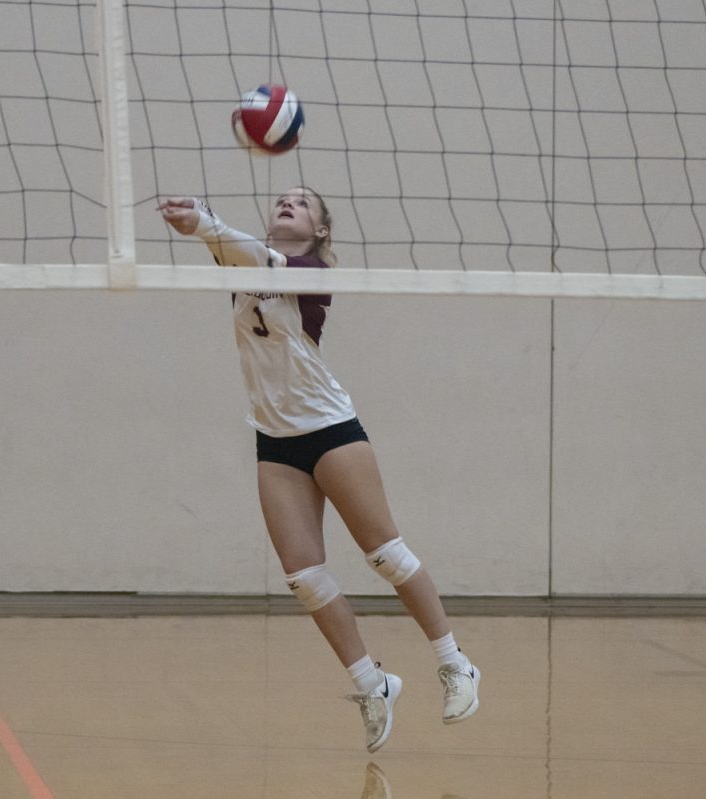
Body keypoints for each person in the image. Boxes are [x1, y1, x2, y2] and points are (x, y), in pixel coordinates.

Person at [157, 188, 480, 753]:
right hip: (275, 439)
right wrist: (195, 224)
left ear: (320, 230)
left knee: (385, 554)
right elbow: (233, 250)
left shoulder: (310, 272)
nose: (288, 203)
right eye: (282, 199)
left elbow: (255, 257)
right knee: (303, 579)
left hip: (331, 429)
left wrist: (207, 222)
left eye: (302, 203)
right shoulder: (246, 261)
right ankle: (373, 685)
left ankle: (456, 665)